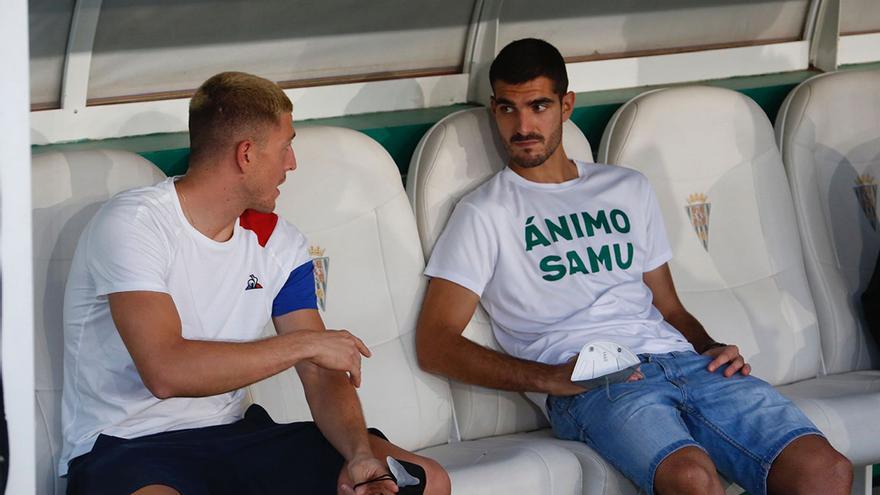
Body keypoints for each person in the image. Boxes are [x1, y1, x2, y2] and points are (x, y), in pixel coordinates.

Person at [415, 38, 852, 495]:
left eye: (538, 106)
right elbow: (435, 342)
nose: (522, 126)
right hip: (596, 382)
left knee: (825, 470)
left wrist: (710, 346)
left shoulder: (627, 187)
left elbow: (668, 306)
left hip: (684, 361)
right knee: (691, 478)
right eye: (508, 109)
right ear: (493, 110)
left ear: (566, 106)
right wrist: (548, 379)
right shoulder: (485, 212)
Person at [60, 71, 450, 495]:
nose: (291, 164)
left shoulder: (280, 242)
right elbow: (165, 372)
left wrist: (358, 454)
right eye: (286, 147)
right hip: (128, 447)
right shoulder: (134, 224)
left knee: (427, 481)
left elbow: (321, 375)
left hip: (234, 437)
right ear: (246, 154)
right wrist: (306, 345)